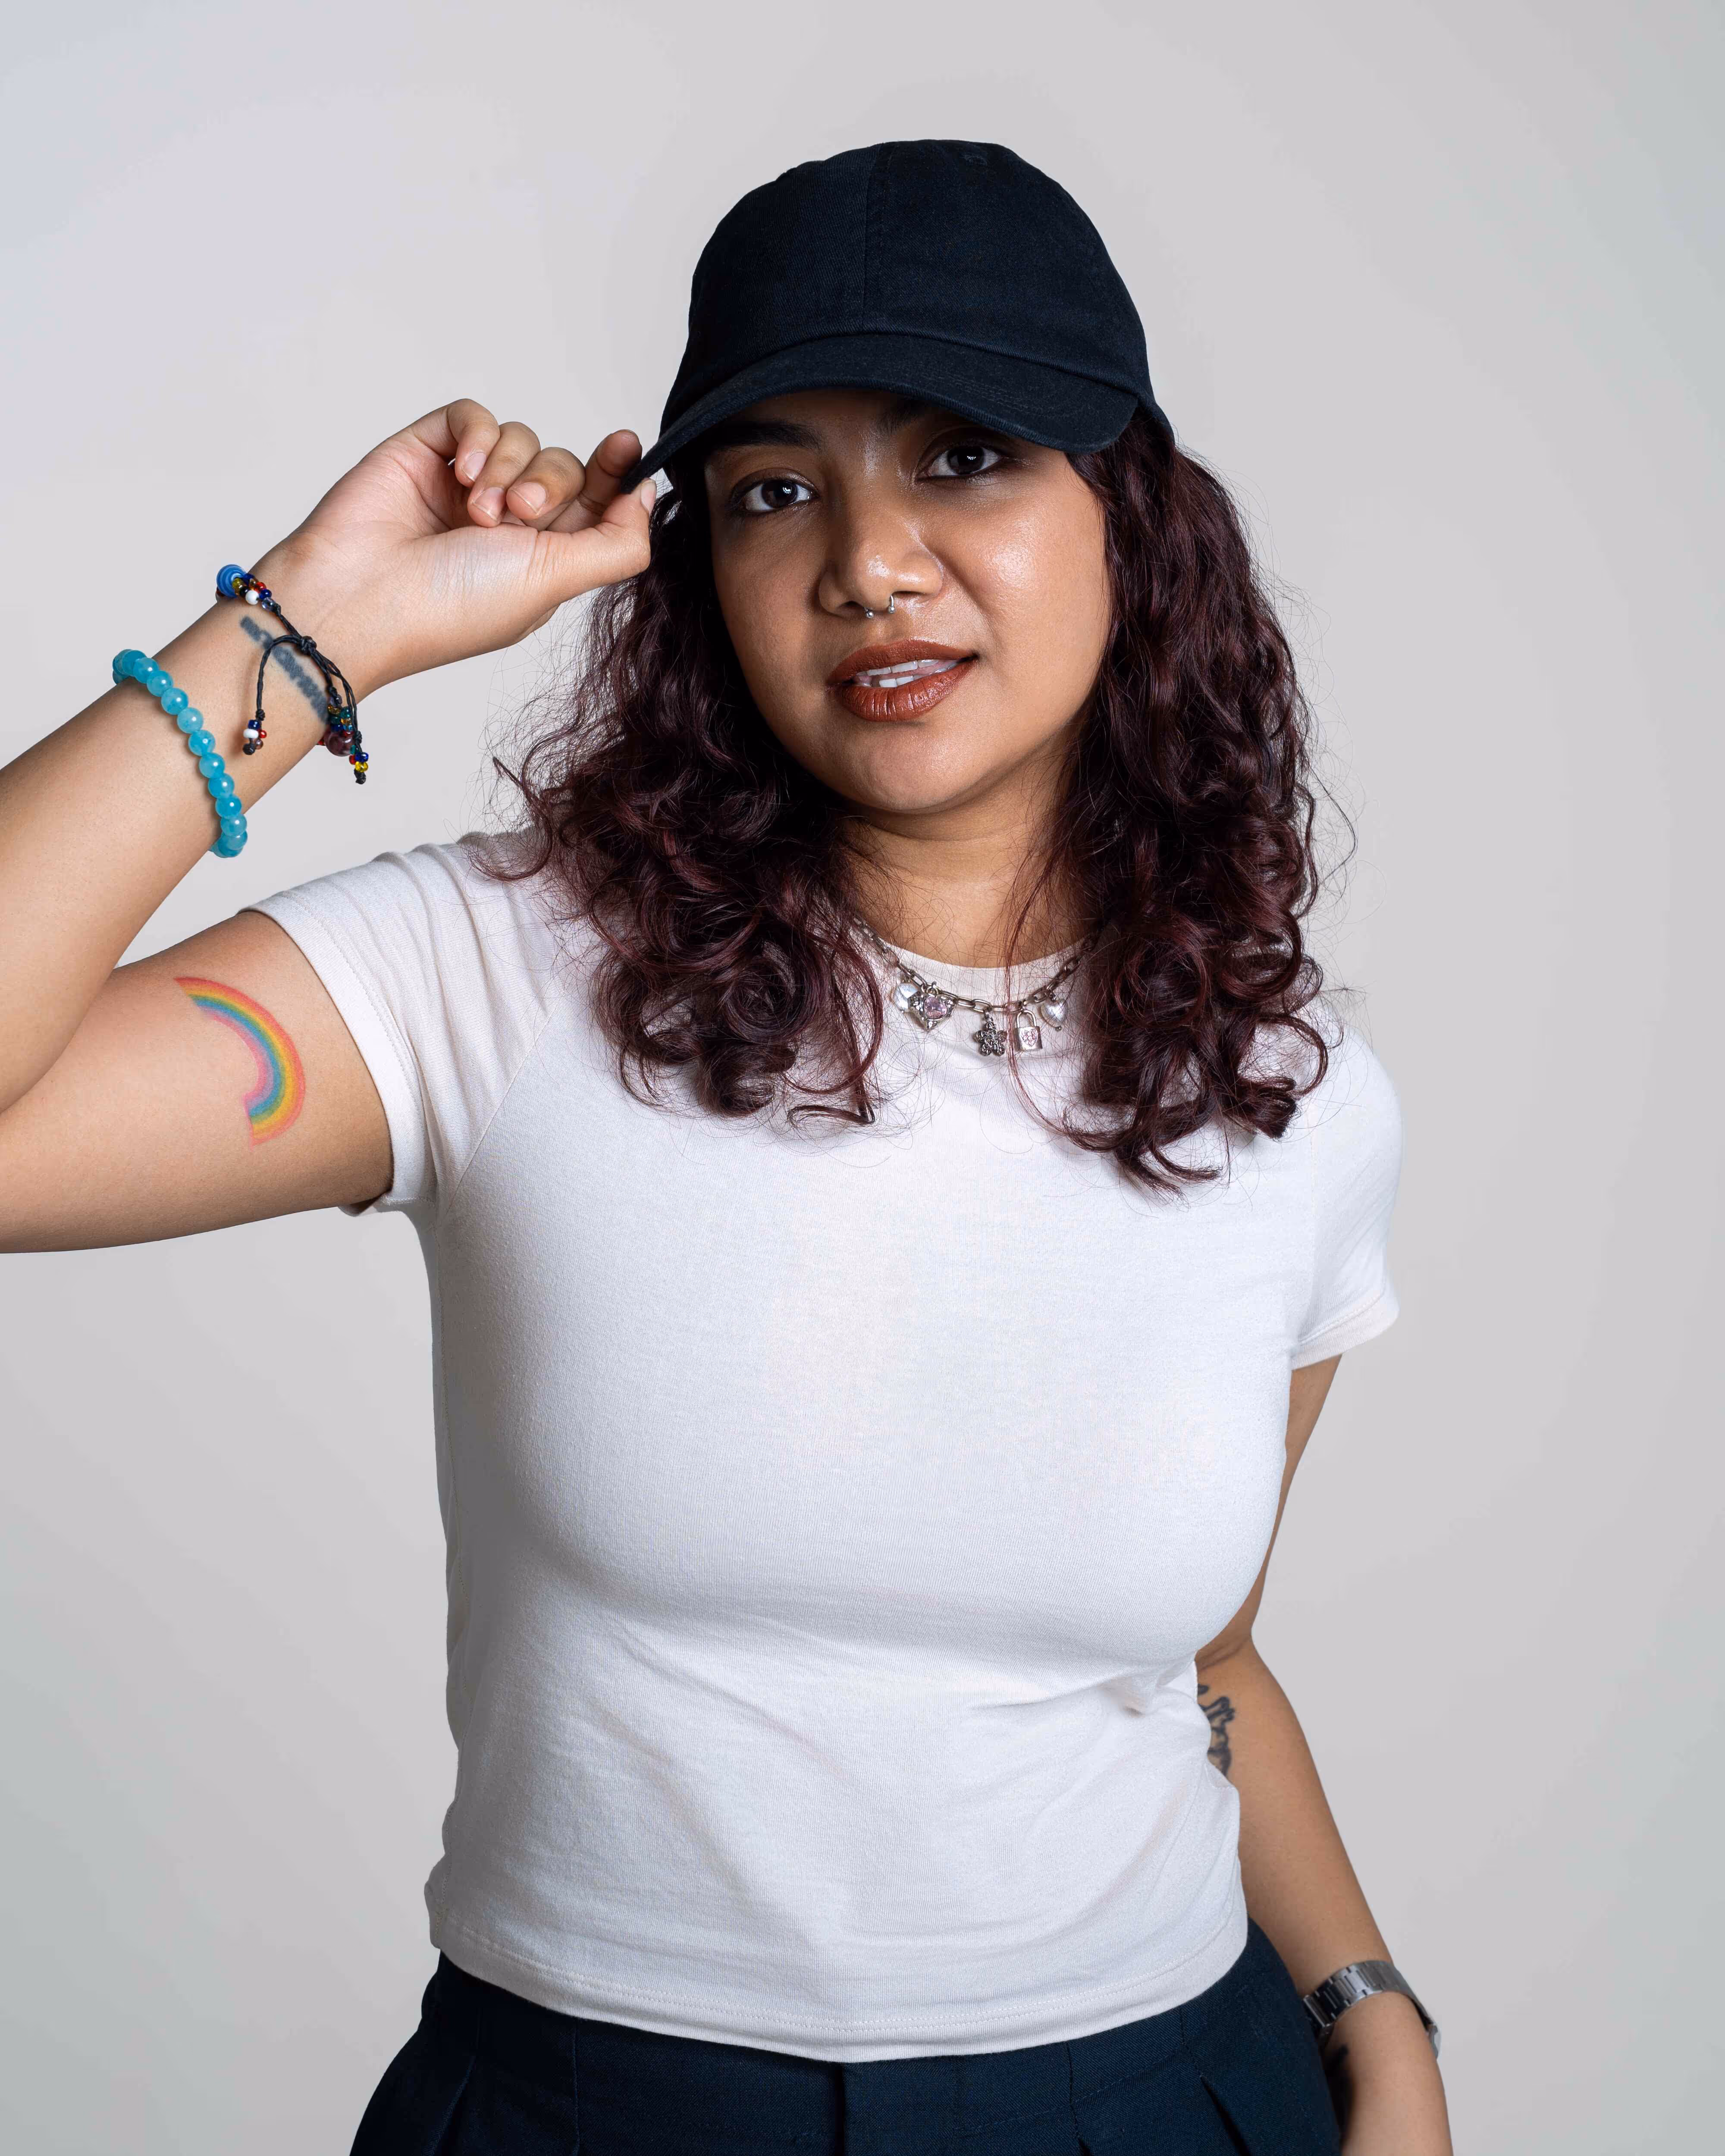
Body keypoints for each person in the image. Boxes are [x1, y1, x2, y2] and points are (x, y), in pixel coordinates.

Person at [0, 141, 1453, 2155]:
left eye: (964, 456)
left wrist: (1376, 2018)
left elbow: (1206, 1655)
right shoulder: (496, 975)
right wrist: (309, 628)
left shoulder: (1286, 1093)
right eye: (777, 489)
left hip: (1162, 2090)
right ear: (699, 567)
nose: (865, 559)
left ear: (1132, 516)